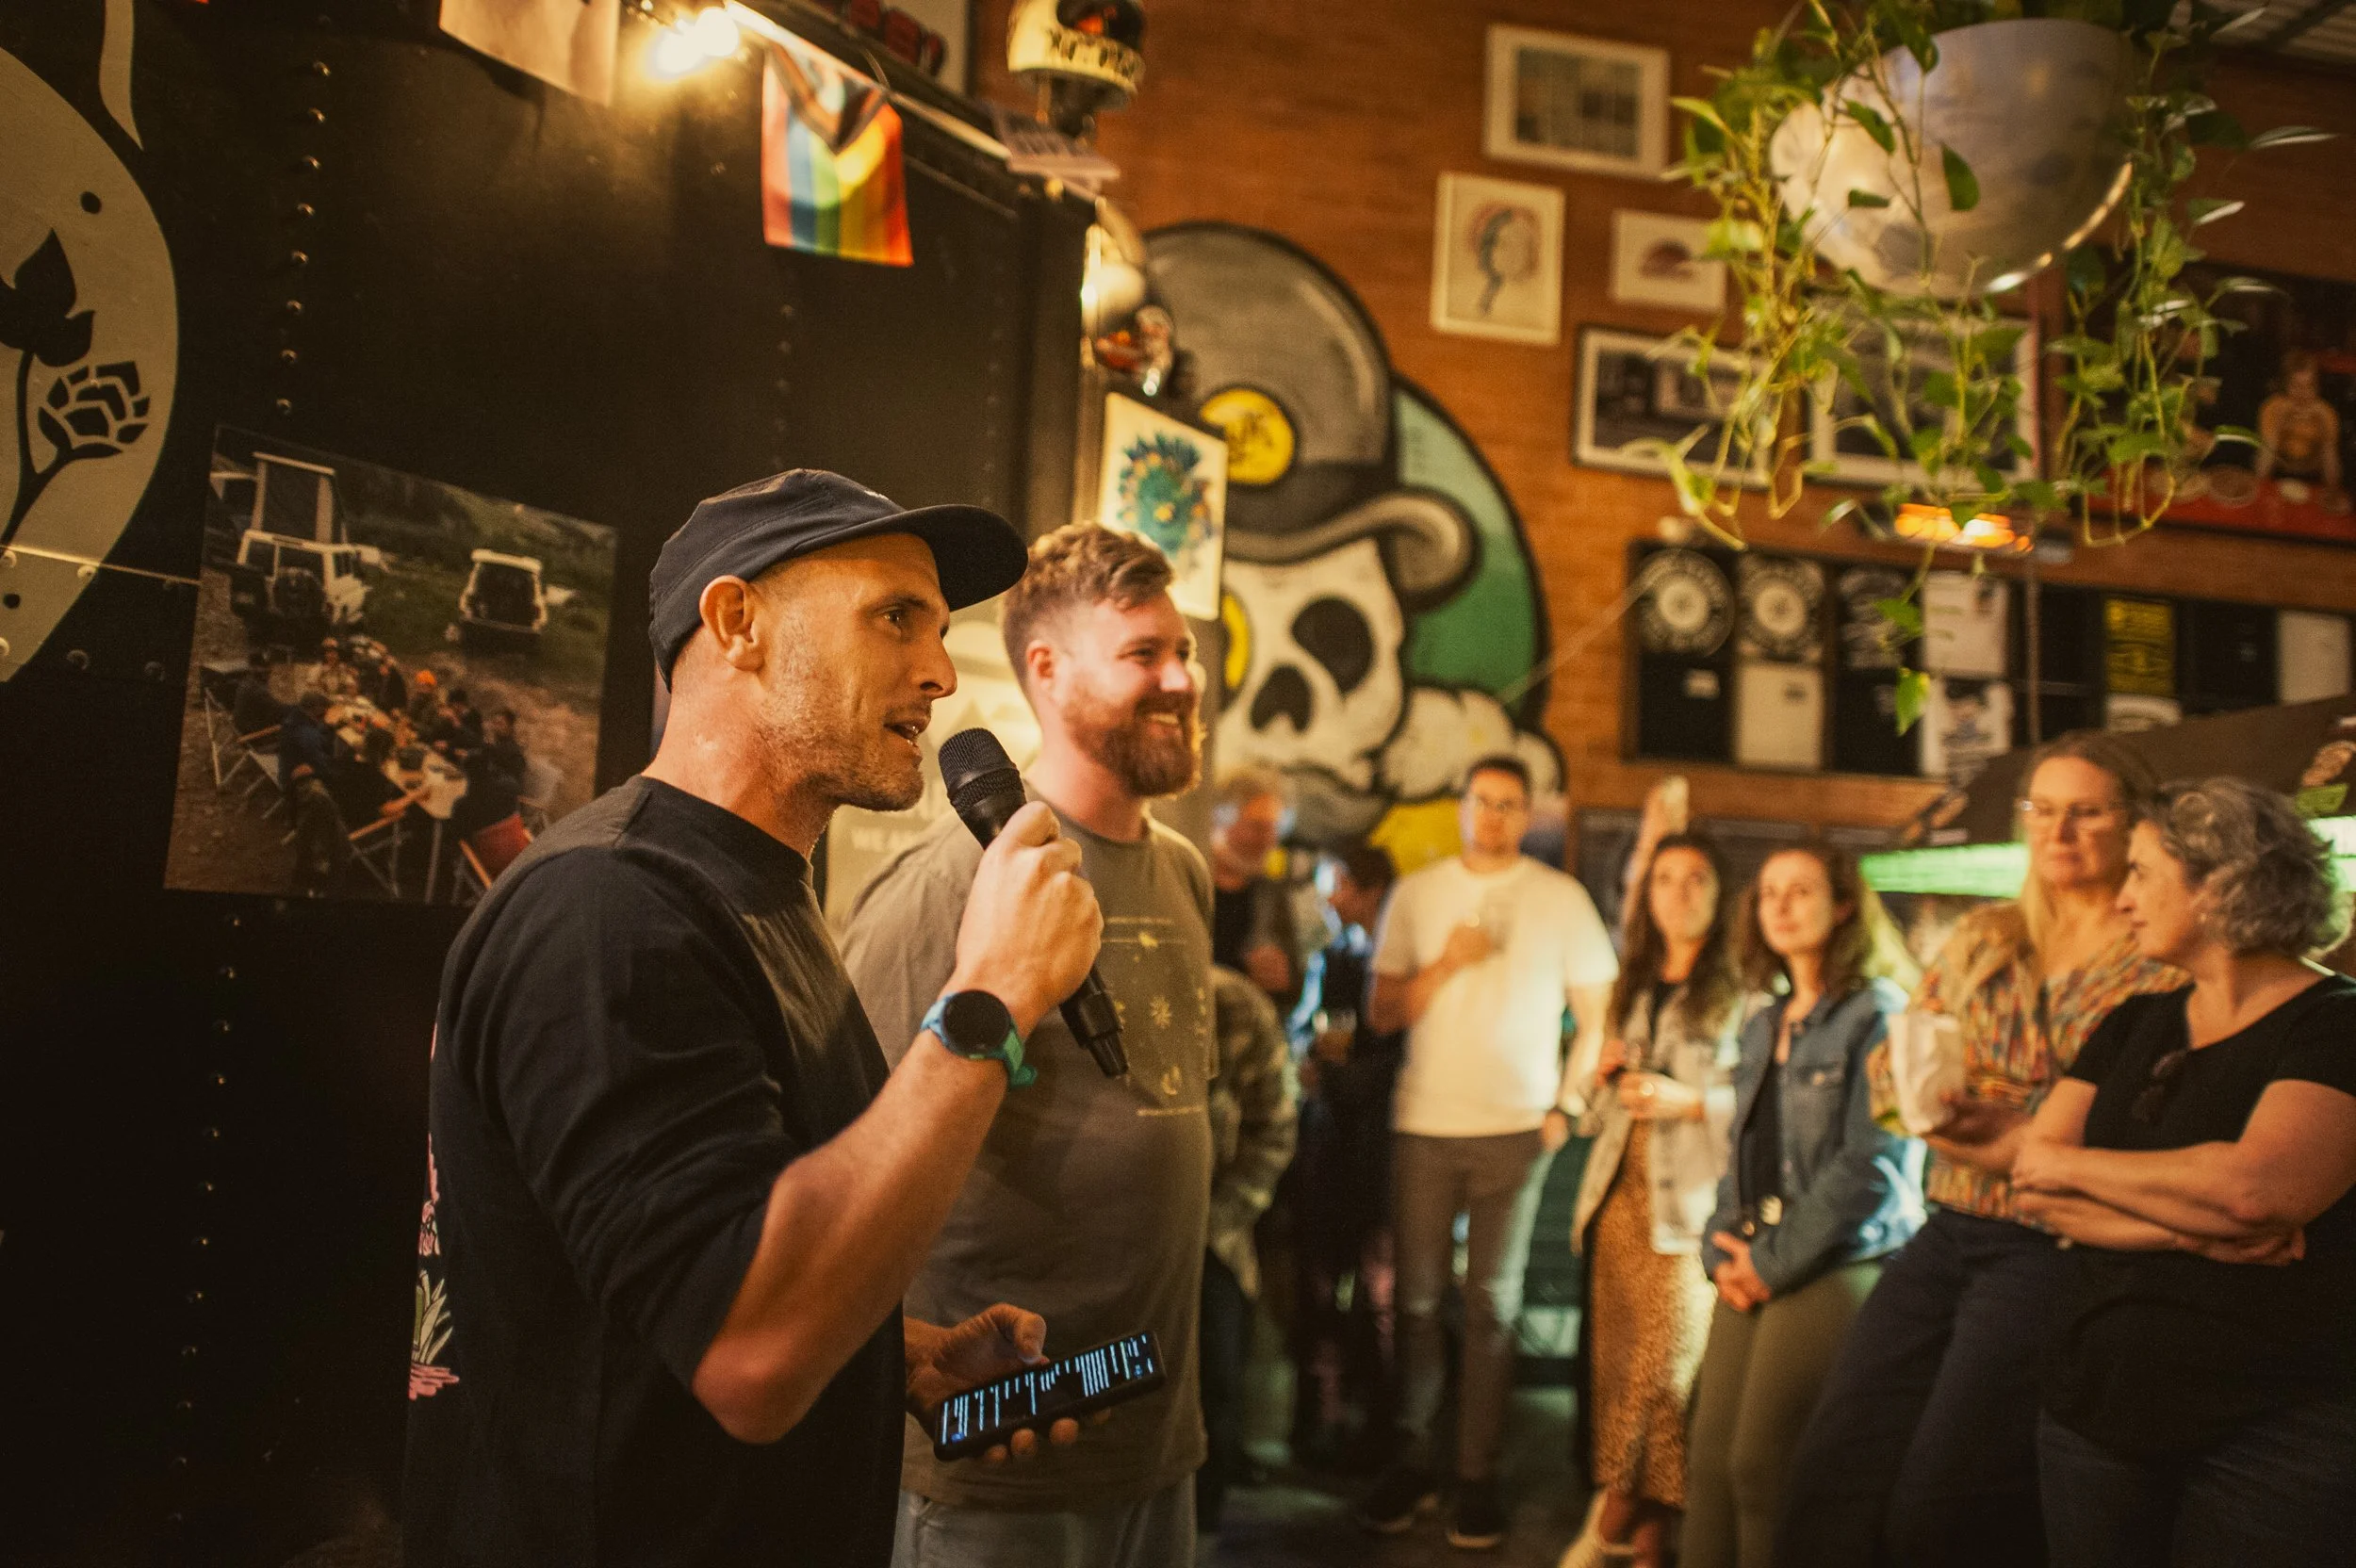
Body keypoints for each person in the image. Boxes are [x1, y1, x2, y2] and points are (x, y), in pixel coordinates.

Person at [403, 469, 1104, 1568]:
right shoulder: (609, 909)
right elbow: (750, 1347)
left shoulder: (756, 890)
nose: (936, 671)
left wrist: (888, 1354)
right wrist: (993, 995)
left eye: (939, 627)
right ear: (738, 623)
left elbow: (676, 1274)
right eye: (894, 617)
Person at [841, 522, 1217, 1568]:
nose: (1182, 679)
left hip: (1154, 1438)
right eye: (1144, 653)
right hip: (997, 1456)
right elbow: (843, 1156)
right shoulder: (951, 881)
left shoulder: (1184, 871)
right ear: (1046, 670)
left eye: (1182, 652)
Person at [1775, 733, 2183, 1568]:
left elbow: (2128, 1131)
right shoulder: (1986, 935)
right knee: (1830, 1469)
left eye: (2085, 813)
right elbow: (1894, 1076)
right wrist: (2006, 1128)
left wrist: (1990, 1123)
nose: (2057, 831)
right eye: (2041, 810)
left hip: (2054, 1249)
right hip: (1948, 1226)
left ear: (2132, 824)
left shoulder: (2161, 961)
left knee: (1941, 1504)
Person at [2011, 777, 2356, 1568]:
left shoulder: (2337, 1023)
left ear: (2220, 884)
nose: (2123, 897)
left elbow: (2256, 1189)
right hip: (2093, 1407)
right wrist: (2195, 1230)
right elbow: (2036, 1180)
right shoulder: (2135, 1019)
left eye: (2140, 872)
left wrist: (2082, 1168)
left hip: (2276, 1425)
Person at [1358, 756, 1619, 1550]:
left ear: (1529, 813)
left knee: (1494, 1306)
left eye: (1511, 804)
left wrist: (1568, 1106)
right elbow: (1381, 1014)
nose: (1497, 816)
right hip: (1426, 1125)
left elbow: (1598, 1013)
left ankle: (1476, 1475)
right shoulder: (1421, 891)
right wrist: (1446, 963)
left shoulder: (1559, 897)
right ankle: (1412, 1461)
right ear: (1463, 805)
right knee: (1417, 1303)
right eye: (1484, 801)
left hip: (1515, 1128)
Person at [1683, 844, 1922, 1568]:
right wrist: (1719, 1247)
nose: (1781, 906)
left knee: (1761, 1465)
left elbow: (1873, 1165)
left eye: (1802, 891)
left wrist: (1770, 1263)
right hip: (1759, 1246)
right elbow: (1742, 1154)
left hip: (1844, 1252)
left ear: (1844, 906)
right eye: (1768, 894)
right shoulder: (1763, 1021)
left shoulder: (1877, 1013)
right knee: (1707, 1462)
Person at [1557, 834, 1742, 1568]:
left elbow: (1759, 1104)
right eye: (1664, 878)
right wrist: (1598, 1081)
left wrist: (1692, 1101)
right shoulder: (1630, 983)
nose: (1679, 891)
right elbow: (1591, 1116)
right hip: (1615, 1201)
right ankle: (1650, 1554)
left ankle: (1602, 1532)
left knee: (1663, 1384)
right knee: (1621, 1383)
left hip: (1687, 1210)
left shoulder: (1747, 989)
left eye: (1696, 877)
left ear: (1720, 894)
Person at [1287, 842, 1403, 1469]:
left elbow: (1396, 1059)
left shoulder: (1400, 959)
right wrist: (1308, 1056)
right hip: (1329, 1142)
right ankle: (1321, 1421)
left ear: (1370, 888)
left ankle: (1381, 1431)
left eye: (1338, 885)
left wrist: (1333, 1078)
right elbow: (1307, 1033)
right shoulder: (1331, 956)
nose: (1328, 898)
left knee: (1381, 1293)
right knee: (1318, 1285)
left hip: (1384, 1147)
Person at [1198, 967, 1300, 1533]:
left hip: (1215, 1236)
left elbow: (1275, 1127)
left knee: (1216, 1386)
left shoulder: (1234, 1003)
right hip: (1113, 1245)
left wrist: (1218, 1219)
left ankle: (1200, 1526)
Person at [1210, 765, 1301, 1005]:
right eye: (1257, 827)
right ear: (1221, 820)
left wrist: (1282, 978)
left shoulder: (1273, 896)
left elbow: (1295, 988)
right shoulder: (1191, 881)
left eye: (1274, 829)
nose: (1268, 841)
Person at [2253, 351, 2343, 493]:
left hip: (2313, 480)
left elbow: (2333, 481)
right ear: (2285, 385)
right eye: (2296, 386)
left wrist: (2324, 430)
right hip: (2278, 475)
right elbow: (2261, 473)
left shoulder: (2326, 412)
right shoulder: (2272, 407)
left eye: (2309, 386)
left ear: (2317, 387)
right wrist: (2279, 423)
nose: (2303, 394)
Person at [232, 649, 282, 737]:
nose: (268, 671)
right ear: (253, 668)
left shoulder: (248, 681)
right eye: (263, 668)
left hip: (248, 728)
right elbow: (279, 709)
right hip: (256, 736)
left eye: (269, 668)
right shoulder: (256, 689)